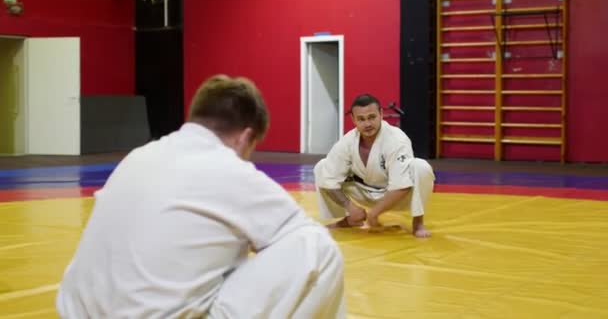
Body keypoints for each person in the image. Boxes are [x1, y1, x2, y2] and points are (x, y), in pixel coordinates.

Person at [56, 75, 346, 318]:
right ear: (245, 137)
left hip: (80, 312)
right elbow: (298, 234)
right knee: (317, 247)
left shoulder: (138, 157)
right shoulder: (228, 169)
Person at [314, 94, 435, 238]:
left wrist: (375, 213)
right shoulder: (347, 142)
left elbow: (401, 185)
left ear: (381, 114)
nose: (367, 124)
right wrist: (349, 206)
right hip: (363, 192)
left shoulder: (396, 139)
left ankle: (418, 222)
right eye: (361, 119)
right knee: (322, 167)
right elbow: (329, 179)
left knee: (421, 167)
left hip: (396, 195)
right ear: (353, 120)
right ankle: (350, 219)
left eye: (372, 117)